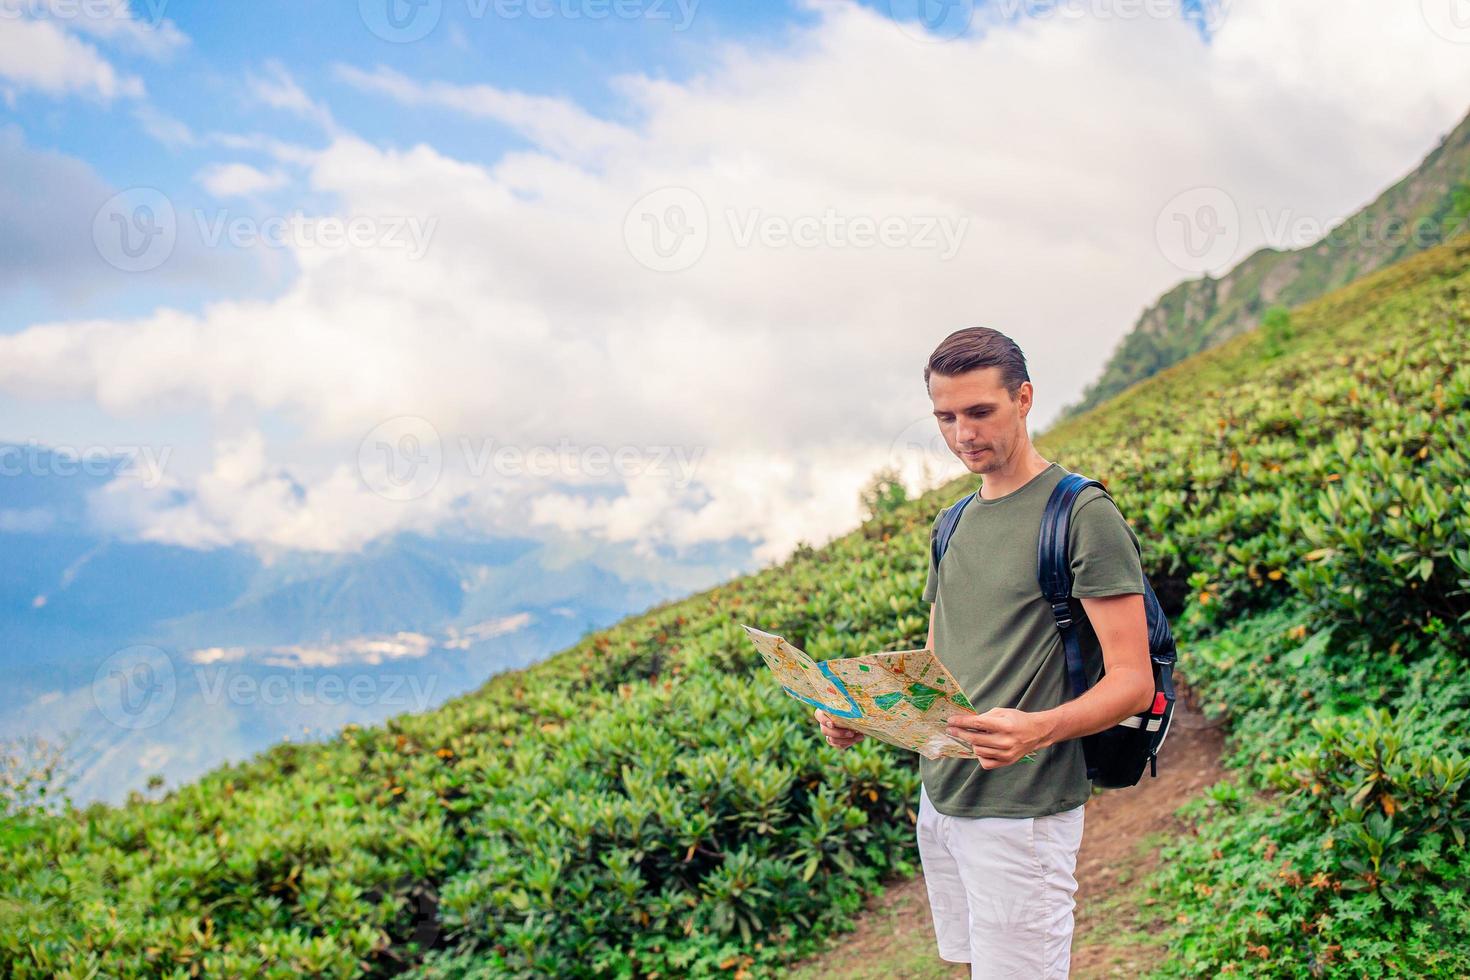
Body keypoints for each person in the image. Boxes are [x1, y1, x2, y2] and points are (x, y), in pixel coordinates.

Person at [815, 326, 1156, 978]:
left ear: (1024, 399)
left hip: (1022, 814)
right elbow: (939, 668)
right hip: (941, 799)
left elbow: (1133, 683)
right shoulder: (954, 523)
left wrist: (1038, 728)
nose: (962, 433)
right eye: (945, 417)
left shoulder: (1080, 514)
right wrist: (863, 710)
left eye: (980, 412)